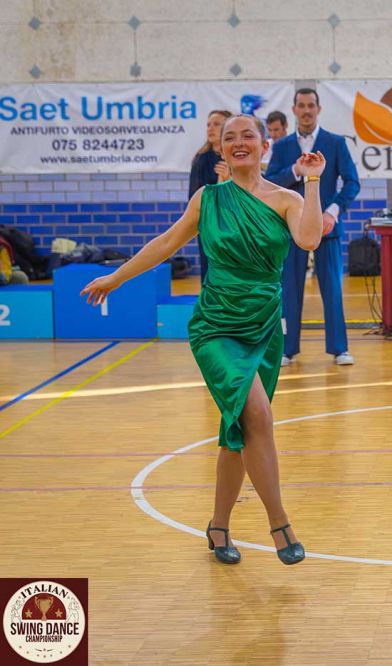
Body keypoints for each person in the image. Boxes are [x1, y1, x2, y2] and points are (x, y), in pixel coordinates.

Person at [81, 115, 322, 565]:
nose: (238, 142)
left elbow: (309, 240)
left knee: (239, 429)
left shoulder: (287, 199)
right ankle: (279, 523)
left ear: (264, 145)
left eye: (247, 135)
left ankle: (218, 526)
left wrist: (312, 181)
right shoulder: (207, 198)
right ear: (222, 150)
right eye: (230, 138)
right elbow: (166, 243)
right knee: (258, 414)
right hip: (216, 326)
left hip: (263, 327)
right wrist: (116, 277)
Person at [265, 88, 360, 366]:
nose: (306, 110)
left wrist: (332, 212)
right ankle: (286, 349)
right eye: (301, 105)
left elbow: (352, 182)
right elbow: (271, 183)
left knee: (332, 290)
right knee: (288, 290)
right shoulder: (282, 146)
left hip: (327, 228)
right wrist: (295, 171)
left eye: (311, 105)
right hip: (291, 228)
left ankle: (340, 348)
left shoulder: (335, 142)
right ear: (294, 110)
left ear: (318, 109)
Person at [189, 109, 233, 282]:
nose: (211, 128)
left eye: (216, 124)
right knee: (210, 272)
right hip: (210, 223)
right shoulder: (201, 159)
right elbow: (195, 197)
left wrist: (229, 178)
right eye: (208, 125)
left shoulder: (237, 156)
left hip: (234, 224)